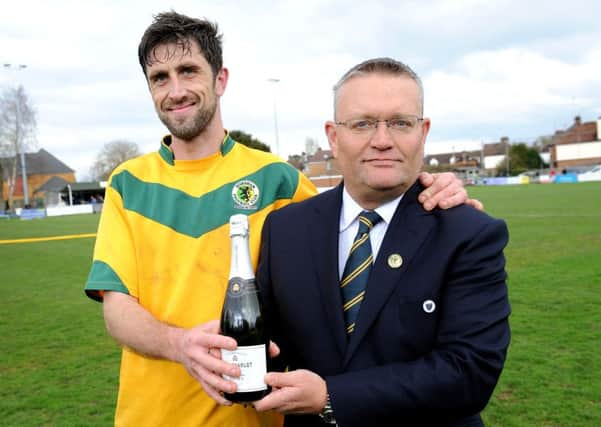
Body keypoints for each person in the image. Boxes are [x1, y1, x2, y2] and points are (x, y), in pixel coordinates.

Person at [85, 11, 478, 427]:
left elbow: (363, 221)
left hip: (255, 418)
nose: (175, 90)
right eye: (159, 78)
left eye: (188, 70)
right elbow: (117, 310)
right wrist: (179, 344)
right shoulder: (127, 183)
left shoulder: (278, 180)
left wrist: (435, 198)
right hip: (149, 416)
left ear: (221, 79)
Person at [201, 58, 510, 426]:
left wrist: (332, 397)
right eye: (362, 124)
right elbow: (271, 343)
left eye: (400, 123)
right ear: (333, 136)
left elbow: (470, 372)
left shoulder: (468, 233)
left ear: (423, 132)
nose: (382, 140)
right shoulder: (284, 228)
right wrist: (232, 362)